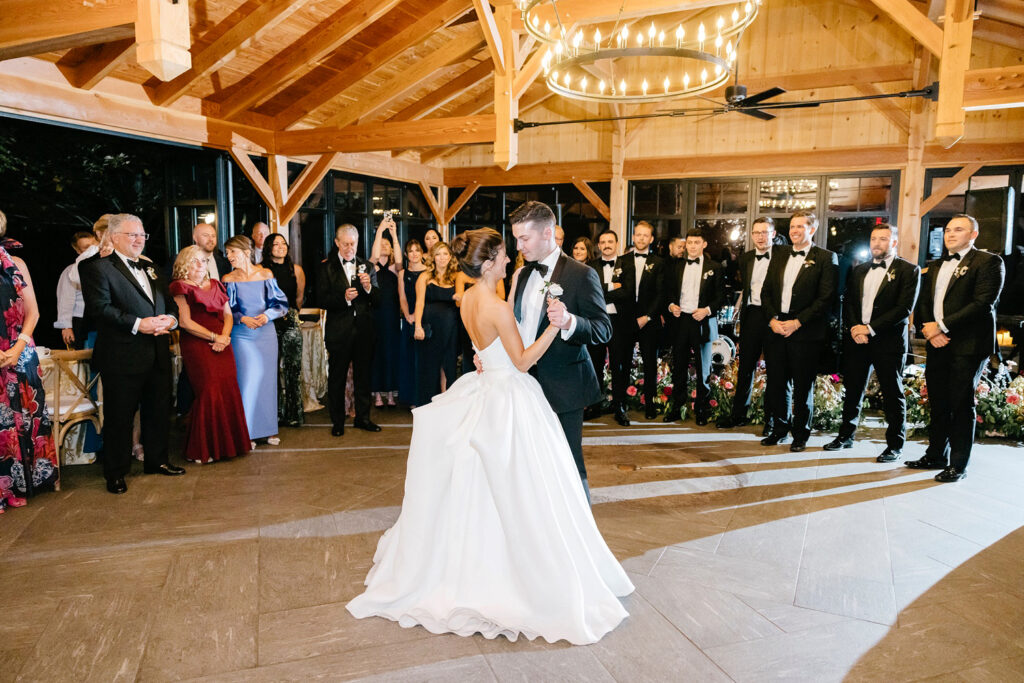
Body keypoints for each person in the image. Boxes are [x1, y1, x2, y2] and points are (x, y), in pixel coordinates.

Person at [346, 227, 633, 644]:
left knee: (483, 483)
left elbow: (484, 347)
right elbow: (521, 360)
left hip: (486, 387)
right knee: (522, 483)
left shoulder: (470, 299)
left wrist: (504, 323)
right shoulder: (495, 305)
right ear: (486, 264)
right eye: (501, 254)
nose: (509, 258)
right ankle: (521, 569)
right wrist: (555, 326)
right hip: (510, 393)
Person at [507, 201, 612, 501]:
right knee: (529, 464)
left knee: (568, 464)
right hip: (524, 385)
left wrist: (569, 321)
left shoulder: (581, 274)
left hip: (564, 387)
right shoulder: (523, 275)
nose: (519, 245)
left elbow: (603, 329)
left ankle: (582, 532)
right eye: (516, 238)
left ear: (548, 233)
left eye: (524, 238)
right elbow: (516, 326)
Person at [80, 214, 184, 494]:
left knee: (159, 411)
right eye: (132, 235)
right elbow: (100, 309)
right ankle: (115, 472)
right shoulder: (96, 268)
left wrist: (170, 322)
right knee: (119, 417)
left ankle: (157, 461)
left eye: (142, 235)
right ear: (114, 237)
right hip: (121, 355)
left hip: (158, 352)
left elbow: (170, 304)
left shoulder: (151, 268)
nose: (139, 240)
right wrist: (140, 325)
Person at [908, 214, 1005, 482]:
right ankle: (935, 454)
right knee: (938, 401)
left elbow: (983, 303)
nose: (950, 234)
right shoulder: (937, 265)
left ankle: (958, 464)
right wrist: (929, 329)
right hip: (937, 342)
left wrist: (942, 327)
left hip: (968, 344)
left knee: (961, 403)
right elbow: (925, 300)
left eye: (958, 230)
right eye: (948, 230)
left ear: (973, 235)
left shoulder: (989, 262)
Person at [825, 224, 920, 461]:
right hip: (857, 339)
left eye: (883, 239)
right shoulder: (860, 270)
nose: (877, 243)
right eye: (874, 239)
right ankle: (845, 436)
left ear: (894, 243)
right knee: (853, 390)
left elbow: (904, 308)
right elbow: (848, 302)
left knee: (892, 393)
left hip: (888, 342)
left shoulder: (910, 270)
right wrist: (854, 328)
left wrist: (870, 328)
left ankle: (895, 446)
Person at [760, 211, 839, 452]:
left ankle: (800, 434)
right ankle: (779, 429)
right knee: (776, 383)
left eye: (800, 227)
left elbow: (825, 298)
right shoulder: (779, 253)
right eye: (792, 227)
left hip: (805, 331)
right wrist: (772, 319)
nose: (794, 231)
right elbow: (765, 292)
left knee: (803, 386)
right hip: (777, 328)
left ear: (812, 230)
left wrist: (798, 322)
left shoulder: (826, 258)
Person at [169, 246, 251, 464]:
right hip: (197, 344)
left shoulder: (215, 284)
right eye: (194, 261)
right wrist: (215, 338)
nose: (199, 265)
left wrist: (224, 337)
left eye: (203, 261)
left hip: (223, 343)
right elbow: (185, 322)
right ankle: (203, 448)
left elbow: (228, 315)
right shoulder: (179, 287)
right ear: (184, 264)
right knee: (208, 391)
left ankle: (229, 446)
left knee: (228, 388)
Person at [0, 210, 59, 512]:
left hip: (20, 351)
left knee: (23, 417)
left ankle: (21, 485)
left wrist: (17, 346)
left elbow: (33, 312)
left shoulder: (16, 263)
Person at [718, 217, 784, 432]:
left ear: (773, 234)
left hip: (774, 317)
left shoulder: (782, 257)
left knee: (774, 369)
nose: (760, 237)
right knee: (745, 368)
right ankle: (738, 415)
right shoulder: (746, 259)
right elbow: (748, 289)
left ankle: (771, 421)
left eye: (765, 232)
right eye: (756, 233)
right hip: (752, 315)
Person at [316, 224, 381, 436]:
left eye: (353, 244)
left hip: (364, 331)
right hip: (339, 332)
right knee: (337, 378)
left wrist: (369, 288)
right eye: (345, 244)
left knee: (364, 377)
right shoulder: (326, 267)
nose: (349, 248)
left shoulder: (368, 266)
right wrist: (343, 298)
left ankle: (363, 418)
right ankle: (337, 422)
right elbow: (320, 299)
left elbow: (379, 301)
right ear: (337, 243)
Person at [223, 235, 288, 446]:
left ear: (246, 252)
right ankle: (247, 432)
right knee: (247, 381)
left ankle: (268, 429)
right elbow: (227, 310)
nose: (229, 256)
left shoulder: (265, 274)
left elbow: (280, 303)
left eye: (233, 251)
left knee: (267, 381)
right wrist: (242, 318)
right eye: (228, 252)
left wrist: (267, 316)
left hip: (266, 334)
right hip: (241, 335)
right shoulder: (228, 279)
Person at [663, 229, 724, 424]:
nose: (692, 246)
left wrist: (706, 310)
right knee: (678, 366)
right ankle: (677, 406)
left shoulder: (715, 267)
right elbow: (669, 292)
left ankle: (702, 409)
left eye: (697, 242)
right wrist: (671, 305)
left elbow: (721, 297)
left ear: (704, 244)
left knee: (703, 368)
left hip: (702, 321)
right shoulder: (676, 266)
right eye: (689, 242)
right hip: (681, 322)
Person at [615, 220, 666, 421]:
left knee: (650, 363)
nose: (641, 238)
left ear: (651, 239)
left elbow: (661, 294)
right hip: (626, 321)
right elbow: (617, 290)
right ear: (633, 237)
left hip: (649, 320)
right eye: (638, 234)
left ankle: (650, 403)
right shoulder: (622, 261)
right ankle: (620, 405)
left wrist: (647, 317)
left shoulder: (659, 263)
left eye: (646, 235)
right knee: (622, 363)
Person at [261, 232, 306, 427]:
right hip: (268, 322)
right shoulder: (260, 270)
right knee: (270, 370)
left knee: (293, 369)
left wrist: (292, 316)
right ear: (268, 247)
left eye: (283, 243)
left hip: (290, 320)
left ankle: (294, 414)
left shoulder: (296, 270)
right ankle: (273, 414)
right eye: (276, 244)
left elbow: (298, 298)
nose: (281, 247)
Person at [586, 229, 624, 421]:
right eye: (603, 242)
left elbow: (627, 293)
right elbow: (591, 293)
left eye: (610, 241)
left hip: (619, 322)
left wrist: (603, 289)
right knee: (595, 364)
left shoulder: (627, 265)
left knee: (618, 365)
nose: (607, 245)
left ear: (616, 243)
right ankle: (594, 406)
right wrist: (613, 287)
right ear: (599, 246)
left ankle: (620, 408)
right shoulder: (591, 266)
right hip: (597, 321)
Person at [414, 241, 458, 405]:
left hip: (451, 328)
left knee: (449, 365)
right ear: (433, 257)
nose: (441, 258)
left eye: (445, 253)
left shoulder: (456, 276)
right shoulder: (425, 276)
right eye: (438, 254)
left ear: (450, 256)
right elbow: (419, 303)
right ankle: (429, 404)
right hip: (431, 329)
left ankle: (447, 403)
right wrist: (418, 326)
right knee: (430, 366)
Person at [369, 215, 402, 406]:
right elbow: (373, 256)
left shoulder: (394, 268)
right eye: (380, 244)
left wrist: (394, 235)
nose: (384, 246)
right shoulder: (371, 266)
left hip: (390, 315)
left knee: (391, 353)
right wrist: (380, 231)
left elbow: (398, 260)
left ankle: (390, 393)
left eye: (386, 244)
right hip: (375, 315)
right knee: (377, 353)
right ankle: (377, 394)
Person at [455, 254, 505, 377]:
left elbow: (502, 295)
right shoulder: (461, 276)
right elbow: (458, 302)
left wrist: (480, 300)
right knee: (469, 353)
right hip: (470, 317)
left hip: (488, 317)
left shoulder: (494, 274)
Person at [54, 231, 98, 349]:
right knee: (84, 356)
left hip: (101, 318)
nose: (92, 250)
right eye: (86, 248)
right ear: (79, 251)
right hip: (81, 319)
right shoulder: (71, 271)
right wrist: (66, 327)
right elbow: (65, 299)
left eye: (94, 245)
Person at [397, 238, 426, 406]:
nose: (414, 254)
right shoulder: (402, 274)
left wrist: (418, 315)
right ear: (407, 255)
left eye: (417, 250)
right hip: (408, 320)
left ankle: (424, 396)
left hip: (424, 318)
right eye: (411, 251)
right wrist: (408, 315)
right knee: (409, 359)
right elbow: (402, 297)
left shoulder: (429, 272)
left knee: (423, 359)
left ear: (421, 253)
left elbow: (425, 298)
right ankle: (411, 397)